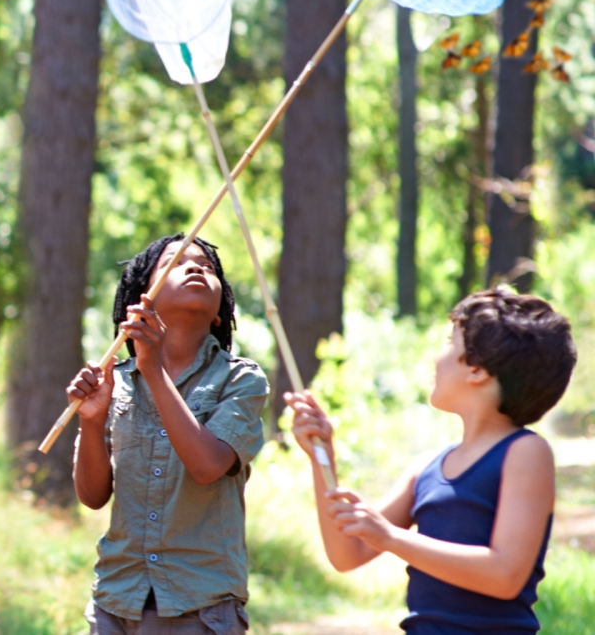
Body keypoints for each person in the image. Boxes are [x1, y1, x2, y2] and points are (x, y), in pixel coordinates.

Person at [285, 288, 577, 634]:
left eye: (448, 343)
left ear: (477, 368)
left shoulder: (526, 452)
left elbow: (505, 575)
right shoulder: (426, 468)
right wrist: (323, 456)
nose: (436, 358)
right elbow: (348, 554)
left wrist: (392, 538)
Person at [68, 233, 267, 635]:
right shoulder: (116, 383)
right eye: (175, 263)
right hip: (115, 599)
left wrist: (154, 370)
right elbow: (92, 496)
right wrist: (90, 420)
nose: (195, 267)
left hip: (199, 606)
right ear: (142, 302)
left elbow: (208, 466)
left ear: (218, 313)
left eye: (208, 268)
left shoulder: (241, 378)